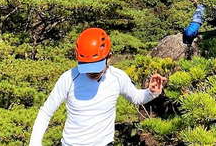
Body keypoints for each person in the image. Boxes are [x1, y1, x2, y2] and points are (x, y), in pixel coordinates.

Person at [29, 28, 167, 146]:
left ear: (109, 57)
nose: (92, 72)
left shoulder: (117, 77)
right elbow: (45, 113)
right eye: (87, 67)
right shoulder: (68, 78)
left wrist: (151, 92)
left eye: (96, 67)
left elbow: (137, 98)